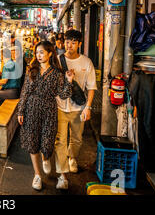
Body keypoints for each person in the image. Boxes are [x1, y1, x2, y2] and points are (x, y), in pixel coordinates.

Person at [16, 41, 73, 190]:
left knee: (48, 142)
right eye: (37, 53)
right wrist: (20, 111)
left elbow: (64, 94)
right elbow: (25, 91)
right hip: (31, 108)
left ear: (49, 53)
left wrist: (69, 81)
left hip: (49, 109)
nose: (38, 55)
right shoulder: (31, 70)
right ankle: (37, 175)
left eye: (42, 52)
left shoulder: (57, 73)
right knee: (32, 142)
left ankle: (46, 157)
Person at [54, 29, 97, 190]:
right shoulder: (57, 60)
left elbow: (91, 87)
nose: (69, 45)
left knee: (77, 139)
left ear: (79, 44)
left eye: (73, 42)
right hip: (59, 106)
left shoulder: (86, 62)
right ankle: (62, 175)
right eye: (67, 41)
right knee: (60, 141)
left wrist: (88, 107)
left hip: (78, 107)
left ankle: (72, 157)